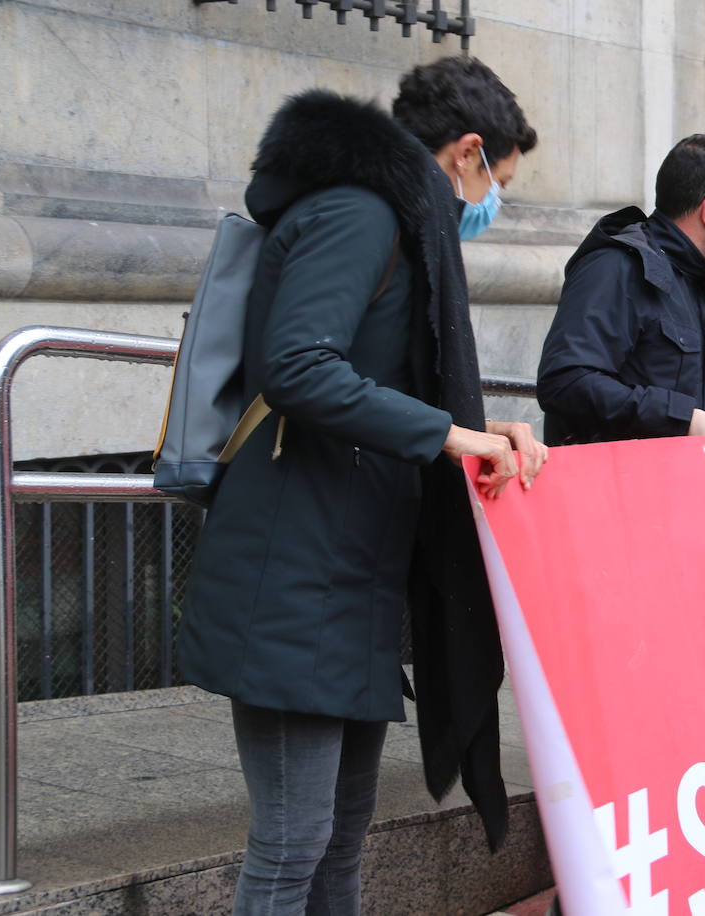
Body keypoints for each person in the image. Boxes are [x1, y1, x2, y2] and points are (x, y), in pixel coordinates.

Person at [176, 58, 546, 915]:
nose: (493, 204)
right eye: (499, 181)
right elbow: (299, 366)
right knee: (292, 845)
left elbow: (396, 383)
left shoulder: (393, 221)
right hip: (294, 573)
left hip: (347, 572)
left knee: (340, 843)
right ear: (467, 154)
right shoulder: (360, 213)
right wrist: (451, 433)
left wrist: (483, 428)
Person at [537, 133, 705, 444]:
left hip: (673, 484)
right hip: (615, 486)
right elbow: (565, 383)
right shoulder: (616, 267)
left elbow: (690, 421)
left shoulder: (693, 281)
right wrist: (680, 417)